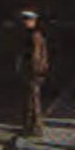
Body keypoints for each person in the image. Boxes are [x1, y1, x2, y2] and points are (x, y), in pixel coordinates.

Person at [20, 9, 49, 137]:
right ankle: (32, 127)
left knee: (33, 99)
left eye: (27, 20)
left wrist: (34, 71)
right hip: (34, 71)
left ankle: (35, 128)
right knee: (31, 98)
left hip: (33, 72)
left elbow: (36, 56)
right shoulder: (34, 34)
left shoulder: (34, 35)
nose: (25, 23)